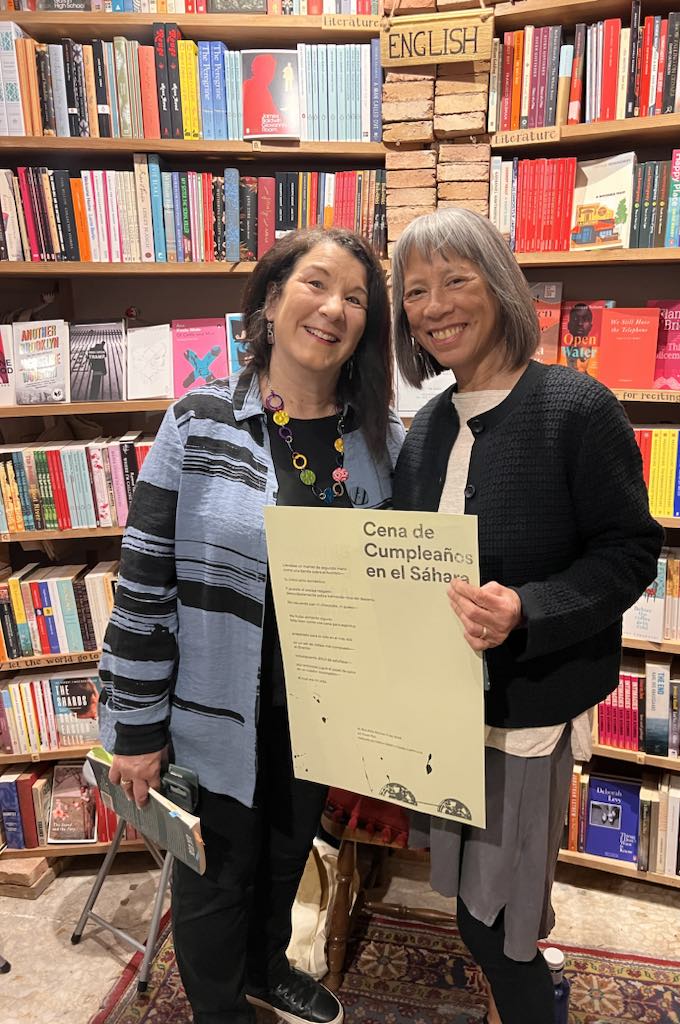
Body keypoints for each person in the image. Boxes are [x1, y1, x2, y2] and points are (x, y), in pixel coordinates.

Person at [98, 226, 404, 1024]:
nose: (334, 309)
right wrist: (134, 726)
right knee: (214, 882)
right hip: (210, 712)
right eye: (315, 284)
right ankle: (220, 1009)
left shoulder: (381, 442)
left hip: (318, 713)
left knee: (286, 854)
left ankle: (269, 966)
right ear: (271, 302)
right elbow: (143, 580)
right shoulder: (198, 423)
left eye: (356, 298)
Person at [390, 208, 664, 1024]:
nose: (434, 305)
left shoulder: (575, 407)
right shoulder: (426, 428)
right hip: (442, 718)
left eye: (456, 280)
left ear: (501, 286)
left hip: (524, 717)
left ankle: (537, 1004)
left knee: (494, 920)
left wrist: (529, 609)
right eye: (413, 292)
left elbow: (628, 550)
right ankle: (537, 984)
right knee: (475, 901)